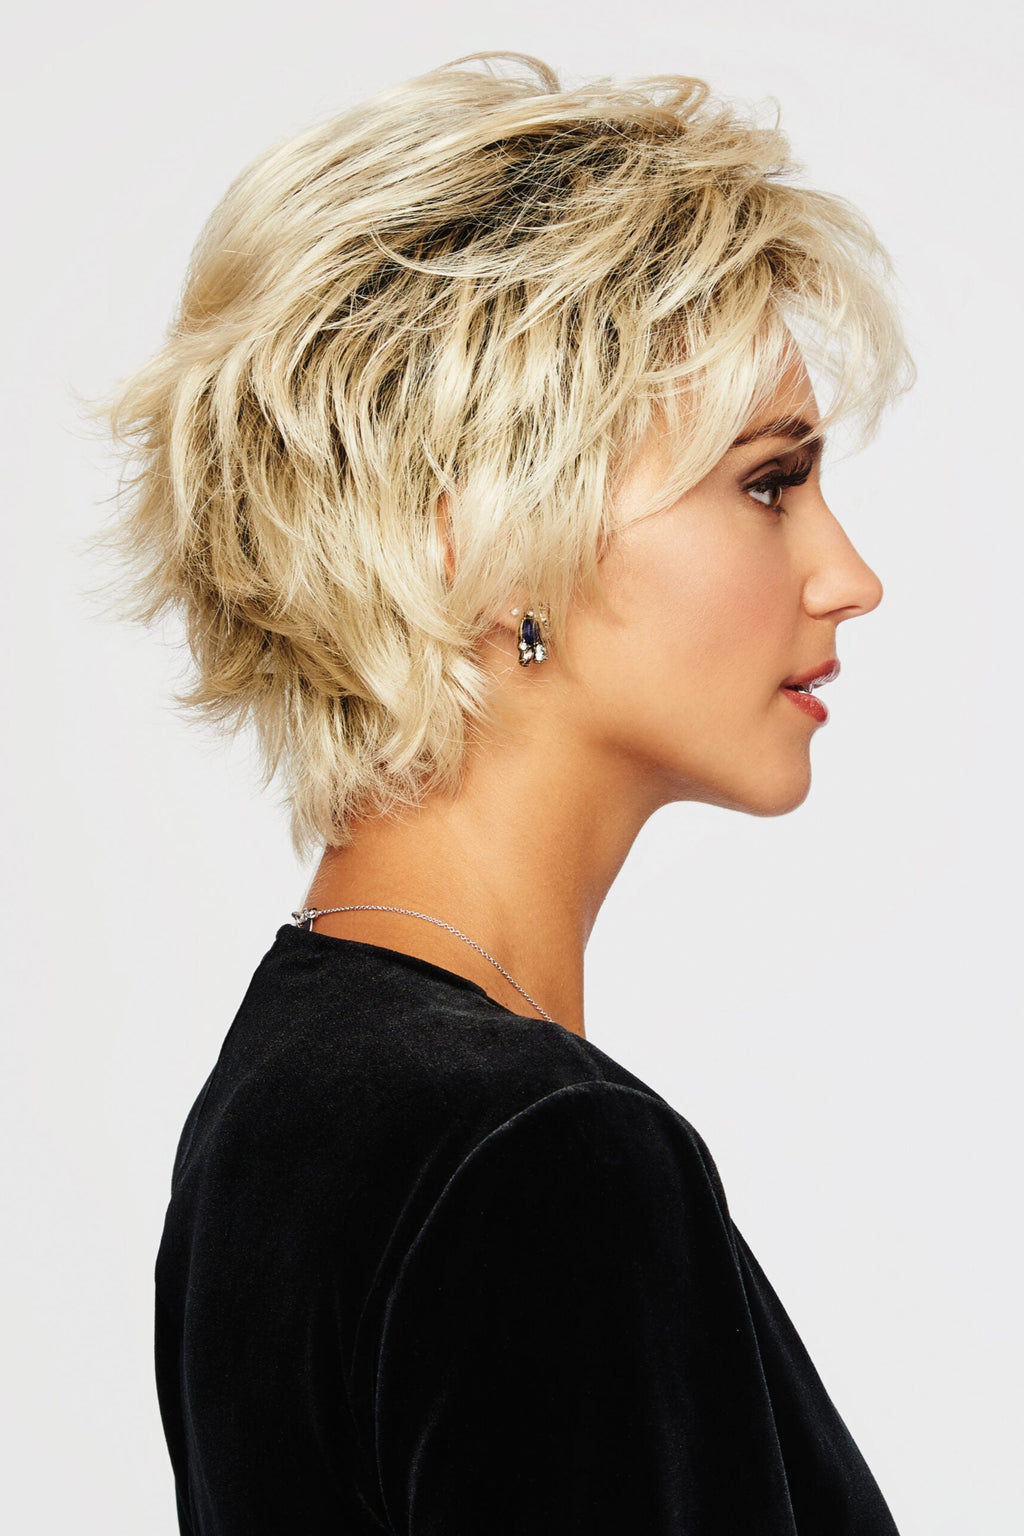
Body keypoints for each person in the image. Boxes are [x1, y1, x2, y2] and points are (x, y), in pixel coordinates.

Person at [88, 50, 914, 1534]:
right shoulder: (542, 1154)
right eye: (768, 482)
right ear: (477, 537)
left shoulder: (285, 1091)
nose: (849, 576)